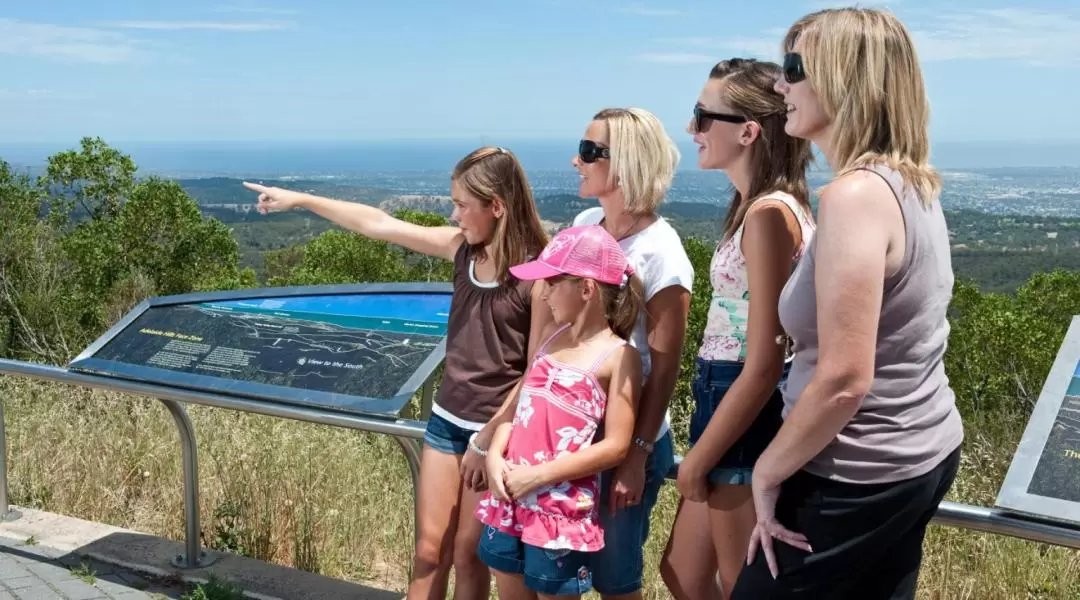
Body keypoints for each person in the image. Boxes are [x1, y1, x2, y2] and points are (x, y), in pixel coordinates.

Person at [242, 146, 551, 600]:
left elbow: (537, 369)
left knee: (470, 556)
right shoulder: (463, 251)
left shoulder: (538, 277)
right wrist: (302, 200)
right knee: (429, 551)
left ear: (497, 207)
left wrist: (488, 440)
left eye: (463, 205)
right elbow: (379, 225)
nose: (454, 214)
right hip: (447, 423)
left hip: (497, 435)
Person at [730, 8, 964, 599]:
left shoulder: (855, 197)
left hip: (851, 473)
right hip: (919, 452)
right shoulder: (911, 183)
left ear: (845, 78)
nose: (780, 85)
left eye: (793, 68)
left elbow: (842, 380)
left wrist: (768, 468)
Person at [659, 58, 815, 600]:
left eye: (703, 116)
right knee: (682, 570)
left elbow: (766, 360)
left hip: (741, 401)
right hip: (725, 393)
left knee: (735, 582)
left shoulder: (768, 215)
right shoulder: (756, 207)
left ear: (748, 131)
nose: (692, 129)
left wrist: (700, 455)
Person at [474, 224, 646, 599]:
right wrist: (496, 452)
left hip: (558, 511)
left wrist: (535, 477)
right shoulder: (551, 335)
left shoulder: (619, 357)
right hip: (512, 495)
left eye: (552, 283)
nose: (544, 292)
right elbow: (523, 409)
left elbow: (617, 446)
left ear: (586, 289)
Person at [572, 107, 693, 599]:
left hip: (626, 440)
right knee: (567, 568)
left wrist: (636, 458)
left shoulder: (662, 253)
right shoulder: (585, 223)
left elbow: (664, 368)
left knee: (615, 582)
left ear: (624, 164)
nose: (575, 162)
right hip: (575, 432)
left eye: (587, 152)